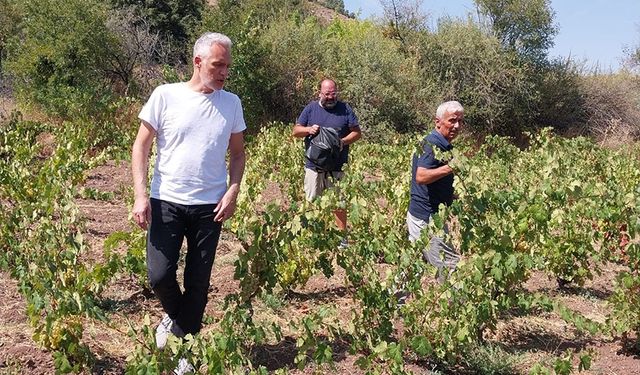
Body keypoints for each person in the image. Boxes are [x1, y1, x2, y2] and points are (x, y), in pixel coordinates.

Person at [131, 32, 246, 370]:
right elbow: (141, 146)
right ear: (198, 62)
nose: (224, 72)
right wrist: (140, 195)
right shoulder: (165, 96)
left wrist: (233, 189)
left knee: (199, 281)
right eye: (217, 65)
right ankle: (176, 320)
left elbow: (238, 154)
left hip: (210, 207)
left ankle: (187, 353)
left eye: (227, 66)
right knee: (159, 275)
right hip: (166, 200)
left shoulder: (231, 103)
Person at [292, 79, 361, 245]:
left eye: (333, 93)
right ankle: (311, 237)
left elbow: (357, 133)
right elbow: (296, 131)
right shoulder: (311, 109)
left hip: (337, 166)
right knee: (311, 201)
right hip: (313, 167)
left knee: (339, 203)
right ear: (320, 93)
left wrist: (343, 142)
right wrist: (309, 129)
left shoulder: (345, 109)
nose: (330, 97)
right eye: (327, 94)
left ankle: (341, 239)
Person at [407, 100, 464, 283]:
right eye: (452, 120)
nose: (457, 126)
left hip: (425, 215)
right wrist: (450, 168)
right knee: (449, 264)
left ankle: (392, 304)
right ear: (437, 122)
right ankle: (458, 307)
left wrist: (453, 195)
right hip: (426, 218)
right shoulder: (432, 144)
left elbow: (433, 180)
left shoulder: (444, 144)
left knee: (412, 265)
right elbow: (421, 176)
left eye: (460, 121)